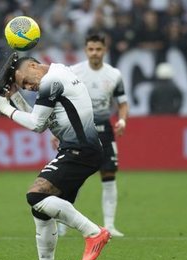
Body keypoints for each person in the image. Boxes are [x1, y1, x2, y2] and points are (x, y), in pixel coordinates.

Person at [0, 54, 111, 260]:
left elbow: (35, 124)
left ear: (33, 65)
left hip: (79, 150)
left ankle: (94, 233)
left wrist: (4, 107)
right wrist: (15, 98)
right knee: (41, 210)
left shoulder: (51, 80)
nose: (28, 87)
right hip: (82, 149)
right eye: (23, 86)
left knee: (36, 195)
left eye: (25, 81)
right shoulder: (59, 72)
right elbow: (41, 123)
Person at [60, 33, 129, 237]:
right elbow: (62, 102)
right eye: (91, 49)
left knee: (109, 175)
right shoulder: (74, 72)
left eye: (98, 49)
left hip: (104, 129)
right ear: (85, 50)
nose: (94, 53)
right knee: (73, 177)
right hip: (78, 129)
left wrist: (122, 119)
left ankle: (109, 225)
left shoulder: (114, 75)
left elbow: (122, 103)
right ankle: (63, 224)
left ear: (104, 50)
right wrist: (60, 129)